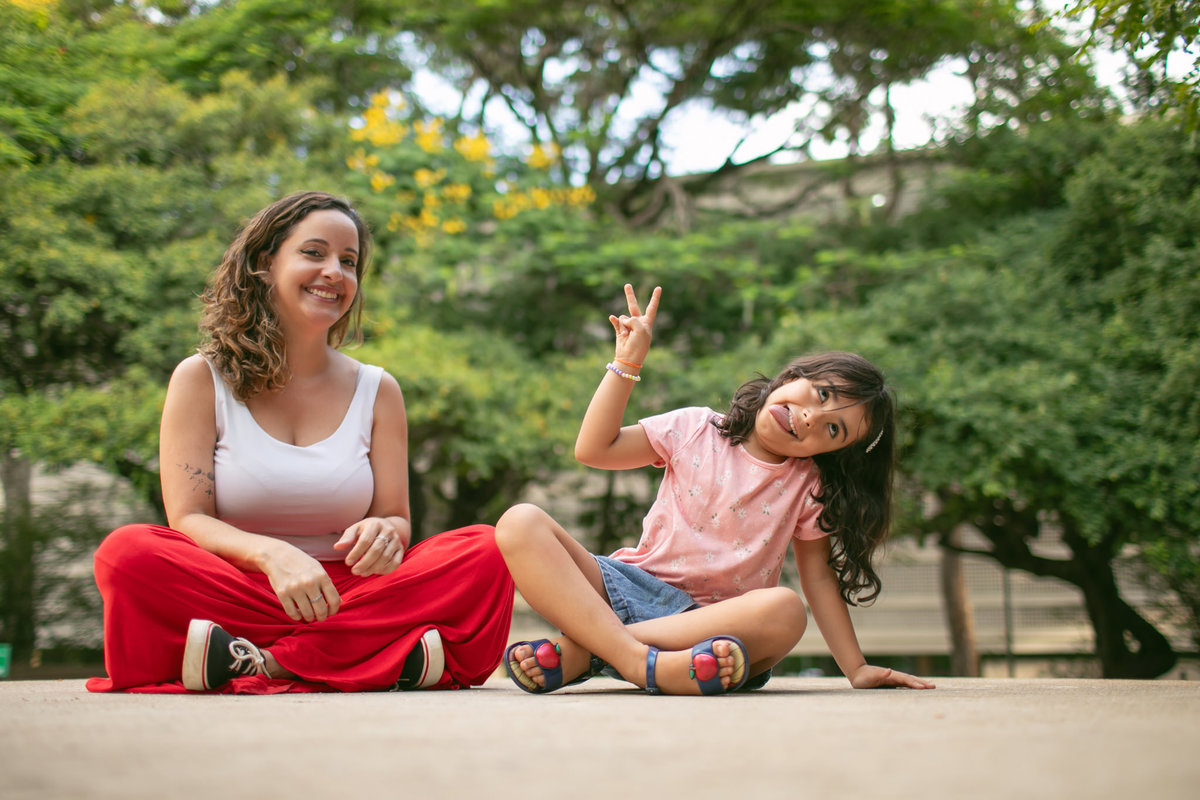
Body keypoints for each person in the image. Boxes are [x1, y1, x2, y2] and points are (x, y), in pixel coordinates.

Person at [87, 191, 514, 694]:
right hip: (241, 592)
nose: (335, 272)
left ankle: (259, 662)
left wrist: (384, 531)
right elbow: (187, 520)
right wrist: (272, 556)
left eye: (348, 262)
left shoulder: (378, 390)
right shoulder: (201, 379)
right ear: (266, 265)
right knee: (127, 552)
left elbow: (397, 518)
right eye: (314, 253)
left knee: (487, 549)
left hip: (351, 595)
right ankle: (379, 658)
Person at [497, 284, 935, 695]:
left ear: (835, 452)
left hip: (714, 631)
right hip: (626, 590)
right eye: (820, 395)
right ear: (794, 375)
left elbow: (817, 578)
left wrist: (855, 668)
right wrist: (627, 363)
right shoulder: (694, 428)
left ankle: (594, 650)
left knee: (786, 610)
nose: (809, 418)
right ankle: (633, 660)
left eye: (833, 429)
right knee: (520, 522)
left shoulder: (808, 487)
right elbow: (594, 449)